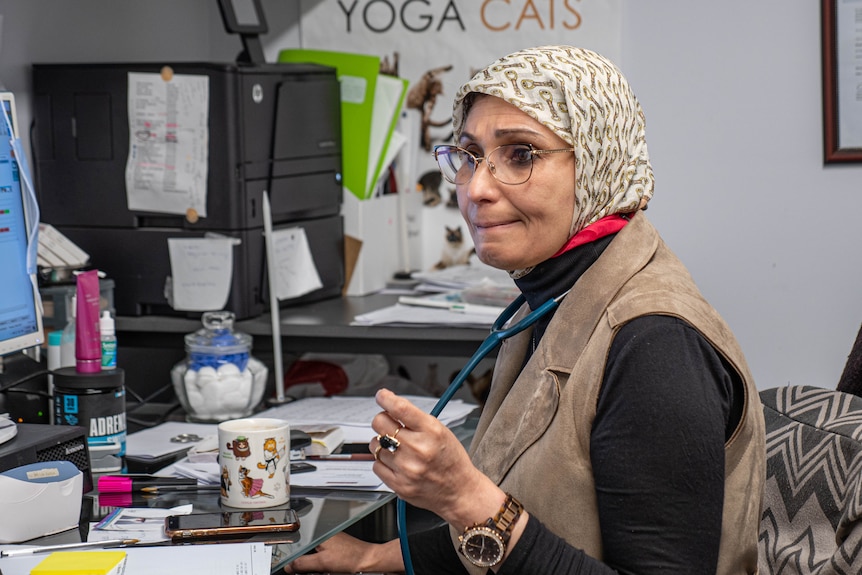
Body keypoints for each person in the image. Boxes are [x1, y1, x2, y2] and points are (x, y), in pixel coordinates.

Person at [285, 45, 765, 575]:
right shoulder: (555, 295)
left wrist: (464, 497)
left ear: (597, 159)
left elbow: (504, 519)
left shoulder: (655, 347)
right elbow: (549, 516)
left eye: (520, 155)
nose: (477, 189)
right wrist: (376, 559)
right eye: (469, 156)